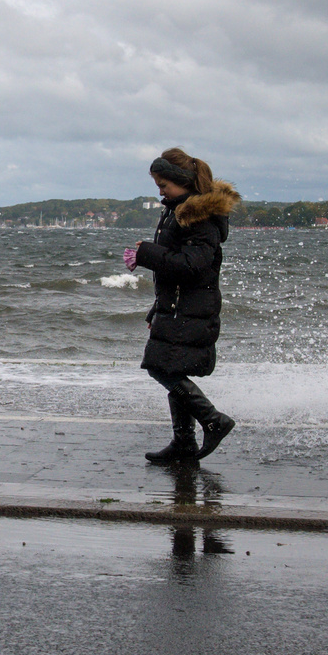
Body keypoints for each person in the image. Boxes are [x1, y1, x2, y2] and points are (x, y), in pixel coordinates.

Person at [129, 148, 241, 463]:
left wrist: (147, 253)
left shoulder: (198, 216)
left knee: (159, 367)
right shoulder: (177, 209)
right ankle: (184, 443)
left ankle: (213, 420)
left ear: (183, 183)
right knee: (172, 368)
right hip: (177, 306)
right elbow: (175, 268)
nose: (160, 191)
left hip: (190, 309)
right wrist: (157, 309)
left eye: (164, 185)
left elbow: (194, 265)